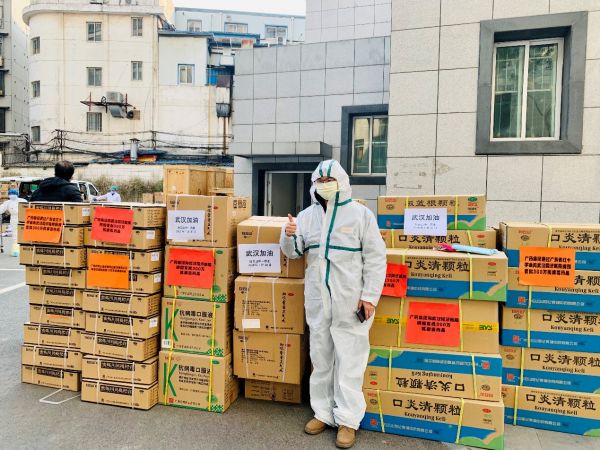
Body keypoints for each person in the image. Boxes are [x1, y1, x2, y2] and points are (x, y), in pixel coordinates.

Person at [280, 159, 386, 449]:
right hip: (318, 299)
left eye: (330, 181)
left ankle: (348, 420)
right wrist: (288, 235)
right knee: (321, 356)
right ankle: (323, 413)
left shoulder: (360, 215)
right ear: (314, 184)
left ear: (342, 182)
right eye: (320, 181)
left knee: (350, 359)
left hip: (350, 300)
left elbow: (376, 258)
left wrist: (369, 296)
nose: (325, 186)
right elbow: (294, 252)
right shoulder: (306, 217)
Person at [0, 188, 26, 256]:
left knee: (20, 234)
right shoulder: (8, 202)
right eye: (11, 194)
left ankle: (21, 249)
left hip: (22, 218)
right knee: (16, 234)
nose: (12, 195)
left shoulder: (22, 201)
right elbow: (1, 209)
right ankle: (17, 250)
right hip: (16, 219)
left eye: (13, 194)